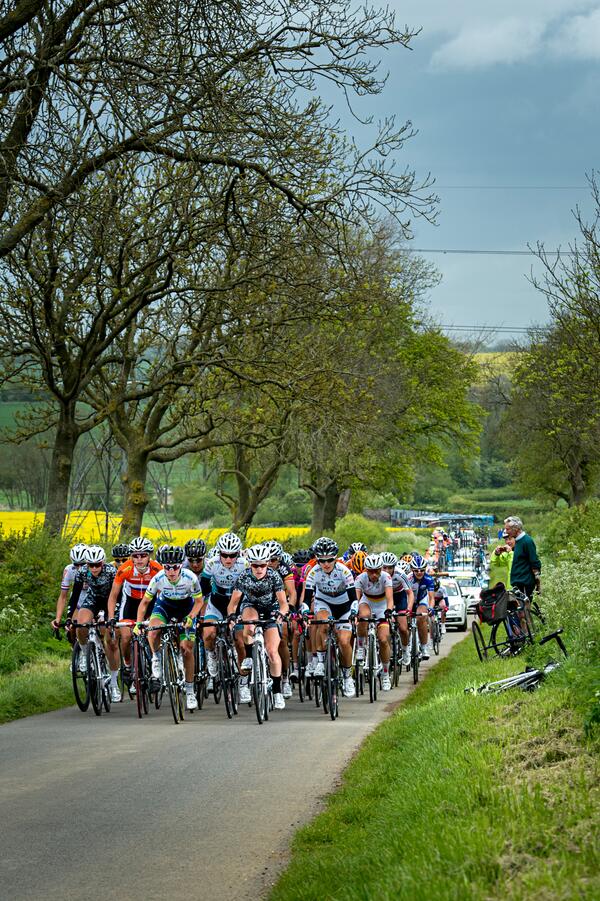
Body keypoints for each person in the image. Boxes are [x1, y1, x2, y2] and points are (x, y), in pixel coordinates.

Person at [137, 545, 204, 712]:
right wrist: (139, 623)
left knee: (187, 649)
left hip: (185, 609)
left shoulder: (190, 578)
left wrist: (191, 617)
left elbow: (199, 602)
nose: (171, 571)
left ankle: (189, 691)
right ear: (163, 567)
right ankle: (157, 658)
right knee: (152, 631)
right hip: (164, 607)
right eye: (167, 567)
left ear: (181, 565)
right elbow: (144, 603)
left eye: (175, 567)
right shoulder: (158, 579)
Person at [228, 543, 289, 710]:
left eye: (262, 565)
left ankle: (277, 691)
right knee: (248, 626)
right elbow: (233, 604)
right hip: (251, 606)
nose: (259, 568)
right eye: (255, 565)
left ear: (268, 563)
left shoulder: (274, 576)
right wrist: (232, 615)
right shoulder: (244, 577)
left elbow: (284, 603)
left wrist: (281, 614)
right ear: (250, 564)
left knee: (272, 651)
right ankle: (249, 656)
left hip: (271, 608)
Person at [303, 536, 357, 697]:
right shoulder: (314, 572)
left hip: (344, 605)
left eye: (330, 560)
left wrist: (354, 611)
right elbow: (306, 598)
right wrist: (305, 610)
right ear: (317, 560)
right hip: (324, 602)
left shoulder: (344, 571)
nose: (326, 564)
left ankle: (348, 677)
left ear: (335, 558)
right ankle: (320, 661)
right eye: (322, 560)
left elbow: (354, 598)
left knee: (344, 641)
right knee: (323, 623)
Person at [354, 553, 394, 690]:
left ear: (381, 569)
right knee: (363, 616)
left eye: (377, 570)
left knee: (383, 640)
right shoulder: (360, 578)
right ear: (366, 570)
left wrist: (389, 610)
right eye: (371, 571)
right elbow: (356, 597)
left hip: (382, 605)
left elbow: (390, 598)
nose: (374, 574)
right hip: (367, 602)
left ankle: (385, 674)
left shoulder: (386, 577)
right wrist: (354, 611)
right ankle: (360, 646)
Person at [504, 516, 541, 597]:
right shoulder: (517, 541)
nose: (506, 532)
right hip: (517, 583)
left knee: (523, 608)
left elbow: (534, 561)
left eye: (508, 529)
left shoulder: (527, 541)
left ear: (516, 528)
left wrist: (538, 582)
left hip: (524, 584)